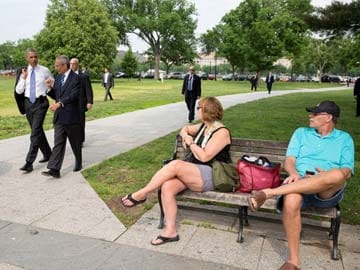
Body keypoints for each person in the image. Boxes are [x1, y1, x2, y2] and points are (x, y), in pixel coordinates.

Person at [247, 101, 354, 270]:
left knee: (336, 174)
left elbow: (347, 171)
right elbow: (290, 160)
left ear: (327, 118)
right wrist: (294, 173)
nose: (310, 116)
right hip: (299, 182)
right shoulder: (301, 133)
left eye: (314, 114)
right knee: (291, 200)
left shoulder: (344, 138)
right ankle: (293, 261)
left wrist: (323, 177)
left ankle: (268, 193)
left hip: (327, 191)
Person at [121, 97, 232, 245]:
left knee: (176, 165)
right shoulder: (203, 127)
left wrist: (190, 142)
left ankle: (142, 193)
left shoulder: (221, 132)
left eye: (198, 107)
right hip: (194, 172)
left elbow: (205, 157)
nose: (196, 109)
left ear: (206, 110)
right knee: (167, 187)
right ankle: (170, 231)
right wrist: (186, 135)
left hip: (212, 175)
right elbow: (184, 129)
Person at [42, 55, 82, 178]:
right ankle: (54, 169)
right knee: (58, 143)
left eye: (57, 65)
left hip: (71, 116)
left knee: (75, 142)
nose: (55, 68)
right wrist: (49, 88)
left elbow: (74, 96)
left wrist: (60, 103)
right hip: (59, 117)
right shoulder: (58, 77)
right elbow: (57, 95)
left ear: (65, 65)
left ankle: (78, 161)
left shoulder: (76, 78)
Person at [15, 48, 53, 173]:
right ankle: (48, 154)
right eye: (31, 57)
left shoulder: (44, 70)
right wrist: (23, 78)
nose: (34, 59)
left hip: (41, 103)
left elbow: (51, 84)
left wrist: (49, 86)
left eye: (35, 57)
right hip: (28, 104)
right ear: (27, 58)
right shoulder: (23, 72)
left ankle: (29, 162)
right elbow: (18, 91)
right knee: (37, 131)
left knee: (35, 132)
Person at [70, 58, 94, 146]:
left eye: (74, 64)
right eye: (71, 64)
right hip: (70, 103)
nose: (72, 65)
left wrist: (89, 101)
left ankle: (80, 140)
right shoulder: (67, 76)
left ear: (77, 65)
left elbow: (88, 90)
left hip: (80, 103)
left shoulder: (84, 76)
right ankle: (73, 139)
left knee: (80, 122)